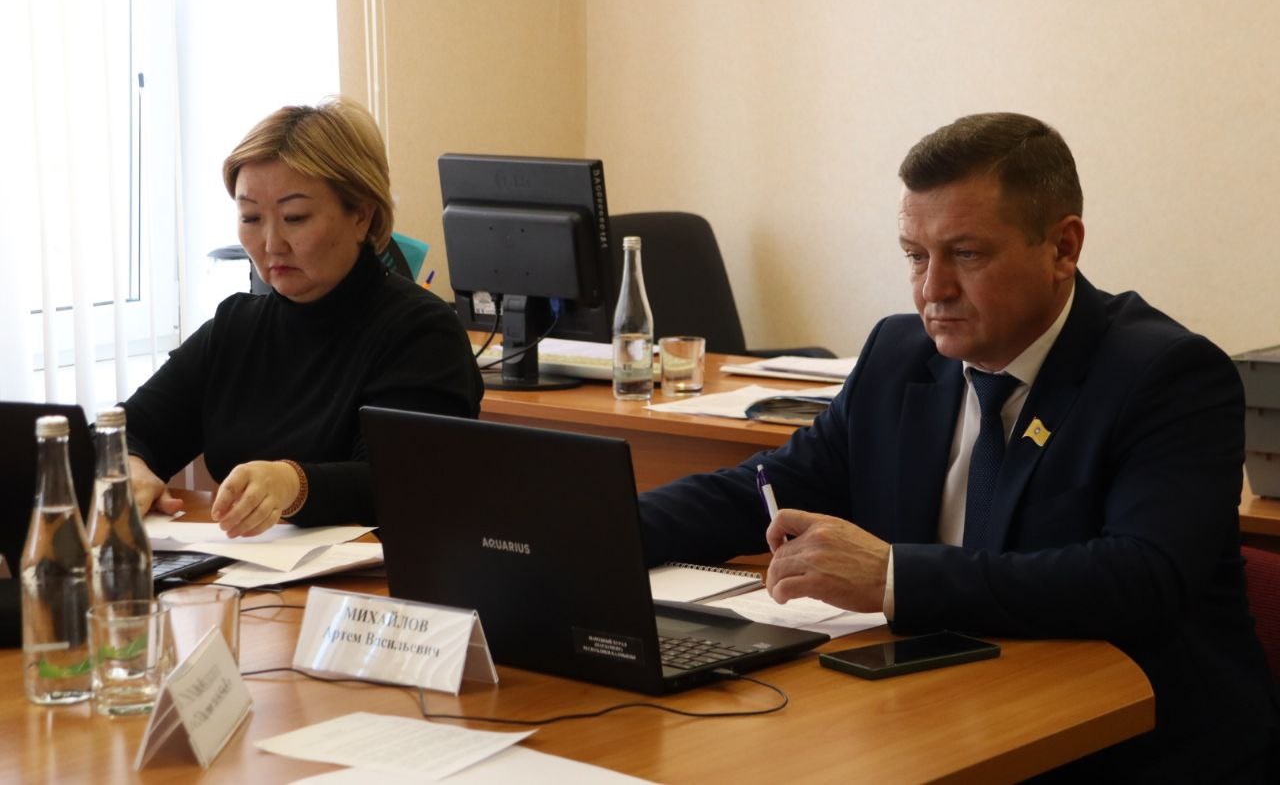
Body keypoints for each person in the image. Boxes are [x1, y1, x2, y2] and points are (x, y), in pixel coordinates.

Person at [638, 112, 1278, 779]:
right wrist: (601, 534)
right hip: (939, 714)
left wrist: (892, 577)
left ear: (1063, 248)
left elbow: (1141, 579)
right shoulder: (898, 355)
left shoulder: (1167, 375)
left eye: (966, 254)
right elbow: (765, 487)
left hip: (1128, 745)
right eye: (916, 256)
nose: (932, 289)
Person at [124, 97, 482, 536]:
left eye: (294, 217)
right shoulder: (236, 327)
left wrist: (293, 484)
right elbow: (127, 430)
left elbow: (407, 480)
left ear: (361, 215)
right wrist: (129, 468)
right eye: (251, 217)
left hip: (379, 571)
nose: (271, 243)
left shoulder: (421, 332)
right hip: (248, 568)